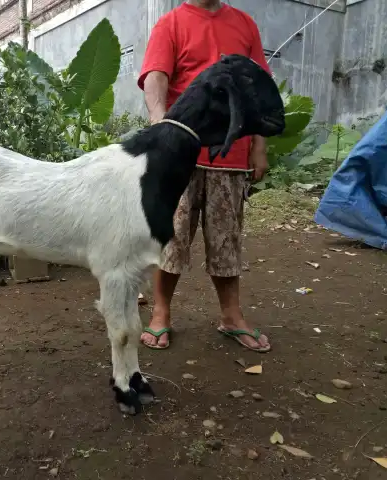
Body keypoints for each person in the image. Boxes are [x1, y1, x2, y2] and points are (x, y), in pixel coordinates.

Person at [137, 0, 272, 352]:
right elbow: (156, 77)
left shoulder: (244, 25)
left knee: (226, 238)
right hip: (182, 153)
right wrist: (161, 127)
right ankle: (160, 314)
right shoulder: (171, 24)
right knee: (172, 236)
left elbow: (256, 87)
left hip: (232, 152)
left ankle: (231, 316)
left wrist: (260, 147)